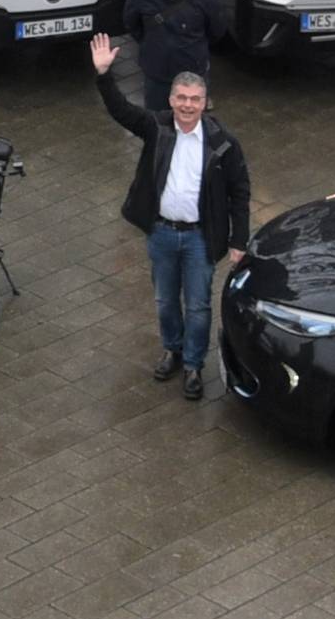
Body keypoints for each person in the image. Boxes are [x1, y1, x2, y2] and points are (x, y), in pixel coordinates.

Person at [89, 32, 249, 402]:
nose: (188, 105)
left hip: (199, 238)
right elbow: (121, 111)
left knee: (198, 304)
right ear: (171, 99)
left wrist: (239, 239)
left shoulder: (224, 142)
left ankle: (193, 364)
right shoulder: (157, 127)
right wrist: (103, 76)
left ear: (206, 102)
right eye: (182, 98)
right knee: (164, 301)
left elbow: (239, 192)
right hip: (161, 233)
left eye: (195, 99)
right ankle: (172, 350)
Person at [122, 0, 226, 113]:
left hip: (192, 75)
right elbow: (131, 23)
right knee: (157, 128)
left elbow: (216, 31)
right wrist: (152, 45)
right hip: (156, 75)